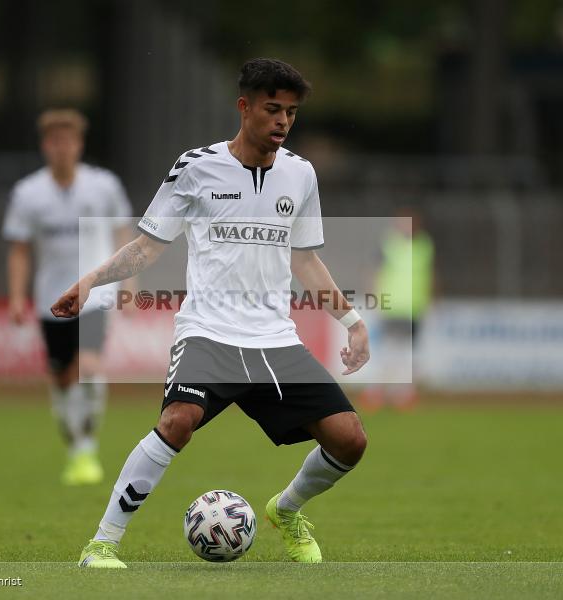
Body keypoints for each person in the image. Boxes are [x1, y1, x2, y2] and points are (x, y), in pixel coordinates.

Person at [52, 58, 369, 567]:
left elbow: (304, 259)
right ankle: (102, 544)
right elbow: (147, 246)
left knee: (350, 440)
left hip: (274, 341)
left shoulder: (301, 174)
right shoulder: (195, 166)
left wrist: (351, 322)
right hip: (209, 334)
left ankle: (286, 511)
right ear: (244, 108)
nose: (283, 121)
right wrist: (92, 280)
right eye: (273, 109)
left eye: (291, 112)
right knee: (177, 422)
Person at [3, 108, 133, 485]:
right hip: (51, 298)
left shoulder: (104, 186)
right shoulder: (28, 193)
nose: (62, 148)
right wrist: (15, 296)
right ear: (46, 145)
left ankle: (87, 448)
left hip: (94, 294)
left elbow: (123, 232)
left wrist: (128, 281)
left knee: (89, 369)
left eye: (69, 141)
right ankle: (74, 445)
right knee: (61, 379)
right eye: (54, 141)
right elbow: (19, 249)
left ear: (79, 144)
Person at [361, 207, 436, 410]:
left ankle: (401, 394)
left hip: (414, 307)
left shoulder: (424, 245)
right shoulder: (388, 243)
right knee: (387, 350)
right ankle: (375, 391)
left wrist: (429, 301)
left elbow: (428, 275)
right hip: (391, 306)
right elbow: (374, 272)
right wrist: (375, 298)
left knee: (408, 353)